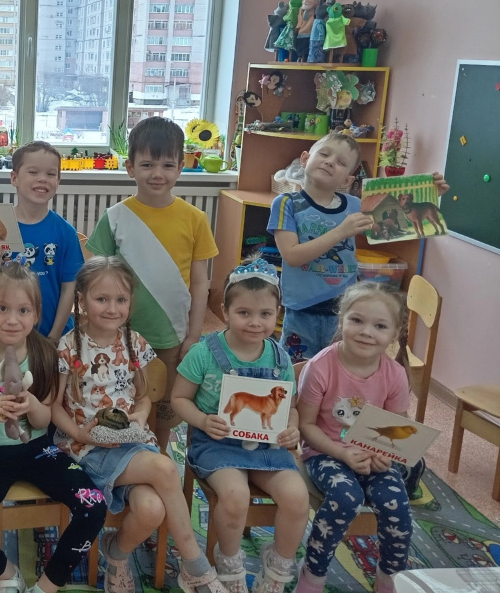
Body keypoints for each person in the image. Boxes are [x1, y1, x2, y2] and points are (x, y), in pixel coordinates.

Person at [54, 257, 225, 593]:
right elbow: (53, 407)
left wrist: (141, 415)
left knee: (151, 509)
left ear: (131, 301)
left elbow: (144, 397)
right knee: (165, 468)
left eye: (121, 299)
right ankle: (196, 566)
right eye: (101, 299)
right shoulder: (68, 346)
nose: (112, 308)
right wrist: (77, 433)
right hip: (88, 449)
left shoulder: (134, 343)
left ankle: (116, 556)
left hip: (132, 443)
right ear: (82, 300)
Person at [0, 263, 107, 593]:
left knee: (94, 506)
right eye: (2, 309)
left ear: (36, 314)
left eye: (23, 310)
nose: (12, 319)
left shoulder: (44, 354)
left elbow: (43, 421)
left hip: (38, 449)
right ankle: (6, 574)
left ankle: (48, 585)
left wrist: (32, 404)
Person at [171, 259, 308, 593]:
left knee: (297, 496)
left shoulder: (280, 358)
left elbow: (290, 408)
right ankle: (230, 566)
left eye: (265, 314)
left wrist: (292, 428)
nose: (255, 322)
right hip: (217, 445)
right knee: (235, 495)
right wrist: (203, 420)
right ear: (225, 311)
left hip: (267, 447)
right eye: (244, 312)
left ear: (278, 313)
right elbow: (179, 398)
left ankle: (277, 570)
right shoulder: (204, 353)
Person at [87, 116, 218, 449]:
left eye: (167, 165)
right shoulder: (115, 218)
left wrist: (193, 335)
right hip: (120, 333)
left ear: (181, 167)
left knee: (164, 406)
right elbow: (94, 277)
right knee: (119, 398)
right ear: (130, 168)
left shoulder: (196, 219)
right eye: (147, 164)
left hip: (171, 334)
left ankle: (158, 455)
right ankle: (120, 458)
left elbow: (200, 283)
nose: (157, 173)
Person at [269, 131, 447, 360]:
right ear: (305, 159)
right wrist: (341, 231)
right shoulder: (286, 203)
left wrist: (431, 195)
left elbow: (401, 221)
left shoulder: (355, 205)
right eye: (324, 154)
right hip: (301, 310)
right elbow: (292, 256)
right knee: (296, 370)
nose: (330, 162)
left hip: (344, 311)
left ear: (347, 180)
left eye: (341, 163)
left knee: (341, 369)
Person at [295, 283, 414, 593]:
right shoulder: (320, 367)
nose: (366, 332)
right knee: (346, 497)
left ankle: (389, 578)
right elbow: (306, 425)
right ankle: (312, 573)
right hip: (325, 452)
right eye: (357, 320)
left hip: (373, 456)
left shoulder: (395, 374)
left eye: (380, 326)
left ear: (395, 333)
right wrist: (342, 453)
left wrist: (385, 454)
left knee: (397, 506)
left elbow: (397, 431)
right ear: (341, 320)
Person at [0, 141, 82, 343]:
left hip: (53, 336)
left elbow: (69, 288)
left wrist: (54, 336)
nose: (42, 179)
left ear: (58, 181)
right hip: (8, 335)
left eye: (51, 174)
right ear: (14, 178)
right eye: (33, 172)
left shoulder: (66, 233)